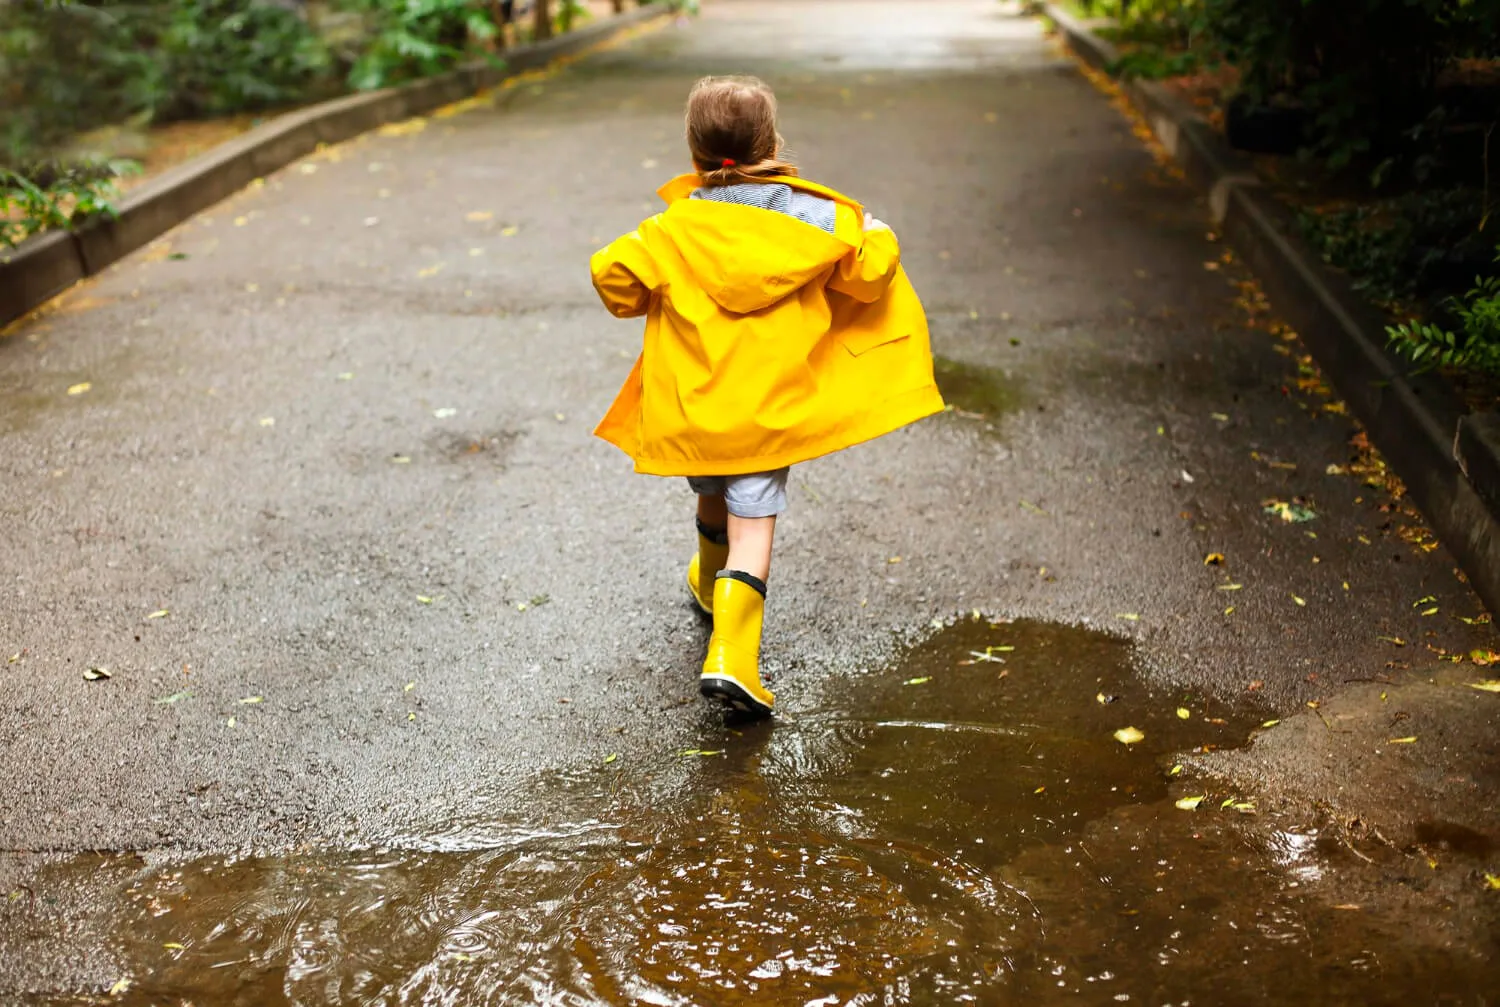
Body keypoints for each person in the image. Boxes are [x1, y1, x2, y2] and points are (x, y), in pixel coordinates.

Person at [589, 75, 944, 718]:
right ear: (772, 143)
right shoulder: (822, 220)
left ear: (695, 152)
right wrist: (878, 229)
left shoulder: (669, 230)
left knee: (711, 492)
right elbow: (869, 276)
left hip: (694, 412)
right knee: (754, 522)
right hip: (768, 410)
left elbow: (614, 283)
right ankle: (733, 657)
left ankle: (706, 580)